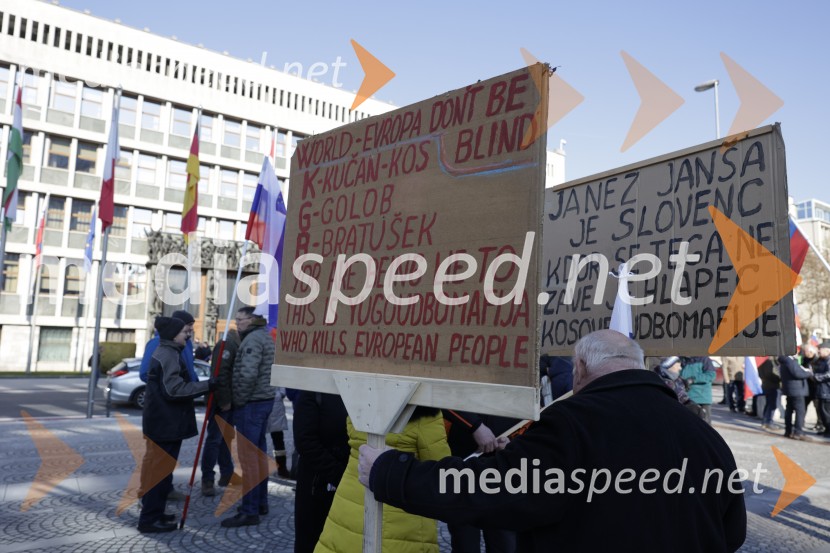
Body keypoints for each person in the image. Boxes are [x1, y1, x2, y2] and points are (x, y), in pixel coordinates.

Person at [358, 330, 747, 552]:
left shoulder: (572, 423)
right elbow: (733, 533)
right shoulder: (705, 435)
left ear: (580, 367)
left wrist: (391, 473)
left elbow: (488, 491)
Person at [314, 406, 451, 553]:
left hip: (349, 503)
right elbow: (441, 474)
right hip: (401, 517)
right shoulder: (424, 413)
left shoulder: (358, 402)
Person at [137, 316, 213, 533]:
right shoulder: (167, 354)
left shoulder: (170, 351)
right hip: (164, 423)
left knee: (163, 472)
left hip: (166, 422)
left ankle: (157, 512)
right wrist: (207, 385)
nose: (188, 335)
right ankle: (149, 519)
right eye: (184, 332)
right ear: (173, 335)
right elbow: (174, 390)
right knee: (159, 474)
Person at [221, 307, 276, 528]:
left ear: (252, 319)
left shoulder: (253, 339)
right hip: (262, 401)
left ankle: (249, 510)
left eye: (240, 319)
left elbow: (247, 374)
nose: (237, 323)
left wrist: (239, 400)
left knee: (249, 460)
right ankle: (260, 503)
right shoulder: (264, 336)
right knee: (259, 457)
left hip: (252, 404)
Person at [443, 410, 516, 553]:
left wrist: (514, 440)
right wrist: (475, 426)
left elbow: (535, 409)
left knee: (505, 544)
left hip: (502, 465)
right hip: (464, 459)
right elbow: (445, 399)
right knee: (465, 544)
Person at [293, 392, 349, 553]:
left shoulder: (363, 389)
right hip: (317, 487)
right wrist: (339, 474)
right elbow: (304, 441)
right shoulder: (313, 391)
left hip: (352, 488)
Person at [200, 329, 241, 497]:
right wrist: (224, 401)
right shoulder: (228, 343)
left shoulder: (236, 343)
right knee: (215, 440)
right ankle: (207, 479)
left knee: (226, 439)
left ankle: (227, 473)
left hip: (230, 401)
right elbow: (220, 374)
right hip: (221, 402)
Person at [140, 310, 198, 384]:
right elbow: (145, 373)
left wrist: (195, 382)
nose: (192, 328)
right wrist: (169, 386)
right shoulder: (156, 342)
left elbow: (190, 370)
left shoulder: (188, 343)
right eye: (189, 324)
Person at [778, 354, 813, 441]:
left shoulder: (785, 360)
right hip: (797, 390)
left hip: (791, 389)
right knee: (800, 411)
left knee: (789, 410)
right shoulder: (789, 360)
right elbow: (797, 373)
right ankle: (798, 432)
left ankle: (788, 431)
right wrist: (808, 373)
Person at [801, 341, 830, 437]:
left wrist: (815, 377)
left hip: (827, 391)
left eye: (820, 349)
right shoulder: (821, 360)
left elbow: (828, 374)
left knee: (827, 412)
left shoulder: (828, 360)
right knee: (823, 412)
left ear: (827, 350)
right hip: (821, 390)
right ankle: (826, 429)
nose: (818, 351)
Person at [680, 356, 717, 423]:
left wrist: (693, 379)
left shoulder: (704, 359)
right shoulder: (684, 359)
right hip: (687, 398)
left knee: (705, 424)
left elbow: (711, 375)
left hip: (701, 398)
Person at [268, 387, 291, 479]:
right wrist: (279, 394)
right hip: (275, 402)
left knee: (277, 439)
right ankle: (282, 469)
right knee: (278, 439)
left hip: (273, 403)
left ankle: (281, 468)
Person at [758, 358, 781, 430]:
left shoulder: (764, 361)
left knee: (768, 404)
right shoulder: (769, 362)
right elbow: (769, 374)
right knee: (772, 405)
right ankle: (769, 422)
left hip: (767, 385)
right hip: (772, 385)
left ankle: (765, 422)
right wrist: (779, 378)